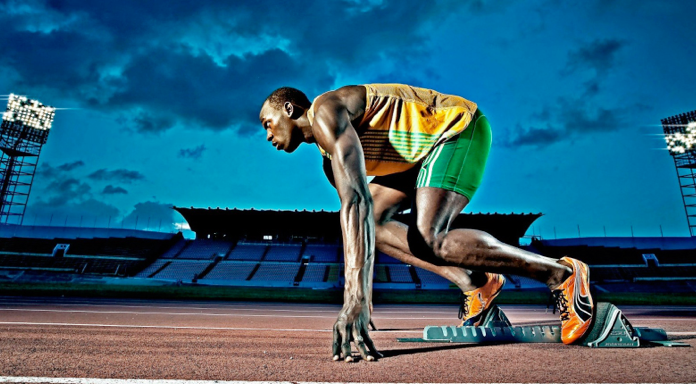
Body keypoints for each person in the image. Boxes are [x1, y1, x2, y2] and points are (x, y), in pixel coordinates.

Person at [259, 84, 593, 362]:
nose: (267, 136)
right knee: (374, 220)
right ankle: (478, 283)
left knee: (430, 237)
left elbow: (355, 201)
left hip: (457, 130)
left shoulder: (326, 111)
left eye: (267, 123)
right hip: (418, 157)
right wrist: (359, 291)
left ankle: (560, 273)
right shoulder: (329, 161)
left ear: (288, 109)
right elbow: (359, 217)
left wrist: (355, 298)